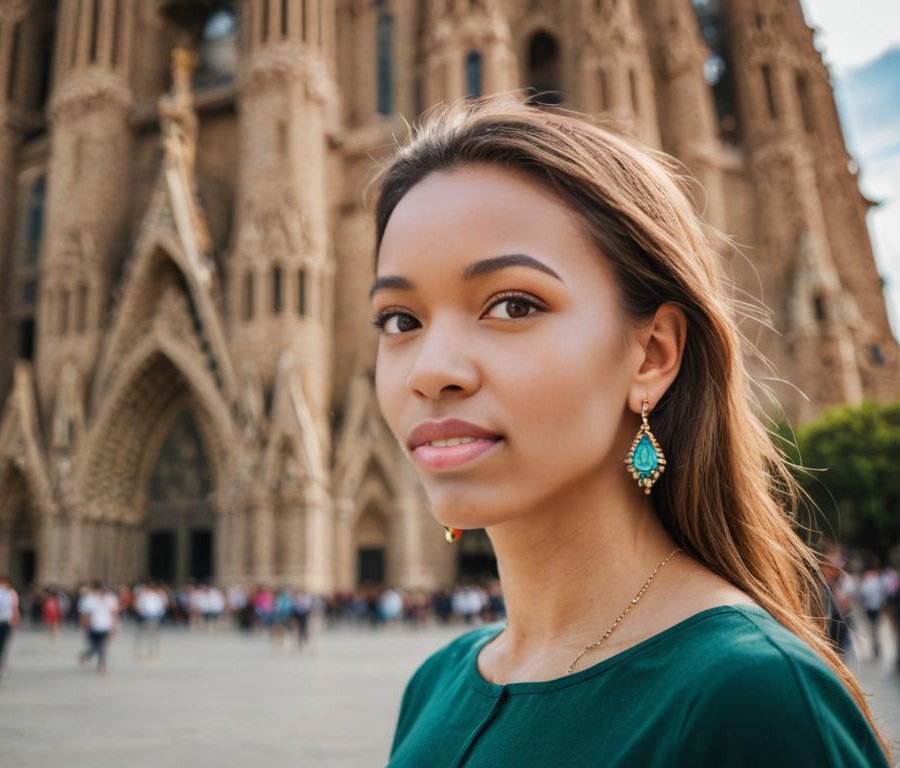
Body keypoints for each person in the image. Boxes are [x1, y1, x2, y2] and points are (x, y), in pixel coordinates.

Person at [372, 95, 892, 766]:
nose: (430, 371)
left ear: (651, 356)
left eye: (512, 304)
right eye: (399, 320)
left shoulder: (751, 697)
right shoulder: (438, 686)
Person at [78, 581, 118, 674]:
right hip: (92, 626)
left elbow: (114, 613)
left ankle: (102, 665)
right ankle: (86, 655)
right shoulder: (89, 599)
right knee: (93, 647)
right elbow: (84, 614)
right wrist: (83, 625)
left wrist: (114, 626)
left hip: (105, 626)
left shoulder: (111, 599)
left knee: (102, 646)